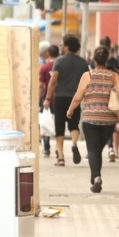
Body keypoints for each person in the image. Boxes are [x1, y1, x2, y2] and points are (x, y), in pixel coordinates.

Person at [66, 46, 119, 193]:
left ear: (93, 59)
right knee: (97, 150)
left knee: (93, 150)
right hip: (108, 120)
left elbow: (78, 96)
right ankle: (95, 178)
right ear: (107, 60)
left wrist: (71, 109)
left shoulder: (87, 75)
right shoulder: (114, 76)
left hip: (90, 119)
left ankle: (96, 177)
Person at [44, 35, 88, 166]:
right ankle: (74, 143)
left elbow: (53, 81)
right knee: (74, 124)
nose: (61, 47)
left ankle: (61, 157)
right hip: (75, 98)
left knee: (59, 127)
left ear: (67, 46)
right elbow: (86, 82)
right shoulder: (83, 62)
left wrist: (47, 98)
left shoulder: (59, 61)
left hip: (60, 97)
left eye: (62, 44)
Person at [38, 45, 59, 157]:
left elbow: (41, 85)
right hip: (59, 98)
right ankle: (58, 148)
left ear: (48, 54)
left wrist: (39, 98)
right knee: (57, 123)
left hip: (46, 98)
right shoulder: (60, 66)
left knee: (45, 122)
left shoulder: (44, 67)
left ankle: (46, 147)